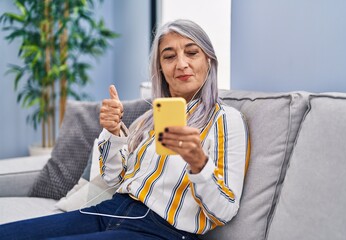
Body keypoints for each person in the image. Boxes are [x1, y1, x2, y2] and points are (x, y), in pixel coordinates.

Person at [0, 19, 249, 240]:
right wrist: (114, 133)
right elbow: (114, 179)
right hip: (108, 211)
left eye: (192, 52)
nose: (181, 64)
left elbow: (224, 210)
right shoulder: (149, 120)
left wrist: (199, 164)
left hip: (161, 231)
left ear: (209, 60)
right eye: (169, 56)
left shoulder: (226, 120)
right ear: (160, 68)